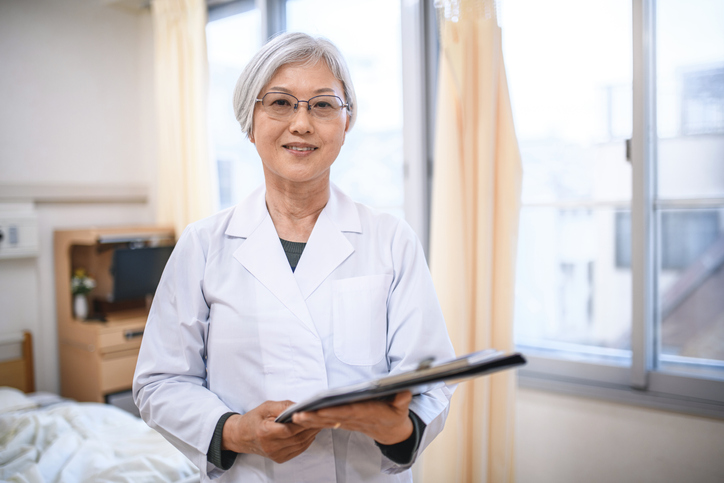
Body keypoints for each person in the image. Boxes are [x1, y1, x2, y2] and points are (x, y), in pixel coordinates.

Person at [133, 32, 455, 483]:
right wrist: (235, 431)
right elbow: (159, 383)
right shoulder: (203, 246)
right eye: (280, 103)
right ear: (249, 122)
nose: (301, 124)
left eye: (323, 105)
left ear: (347, 122)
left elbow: (431, 380)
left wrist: (398, 428)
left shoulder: (390, 240)